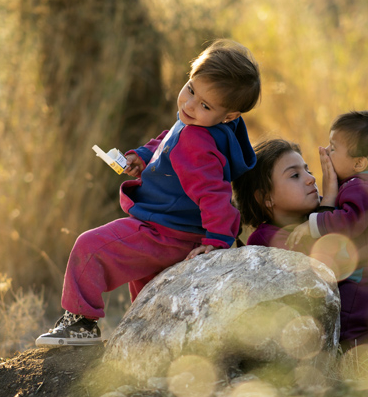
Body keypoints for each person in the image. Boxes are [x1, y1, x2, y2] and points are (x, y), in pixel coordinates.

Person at [36, 40, 261, 346]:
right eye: (191, 88)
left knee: (90, 247)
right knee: (148, 292)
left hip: (164, 231)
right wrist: (142, 157)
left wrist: (218, 240)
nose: (190, 104)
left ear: (229, 115)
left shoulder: (197, 141)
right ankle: (155, 341)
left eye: (205, 105)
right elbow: (168, 141)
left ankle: (80, 324)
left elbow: (213, 193)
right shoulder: (201, 126)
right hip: (177, 228)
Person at [234, 126, 368, 351]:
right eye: (295, 175)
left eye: (308, 170)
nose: (311, 179)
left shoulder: (333, 217)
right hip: (331, 340)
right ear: (266, 198)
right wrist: (329, 199)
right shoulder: (266, 240)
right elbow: (326, 266)